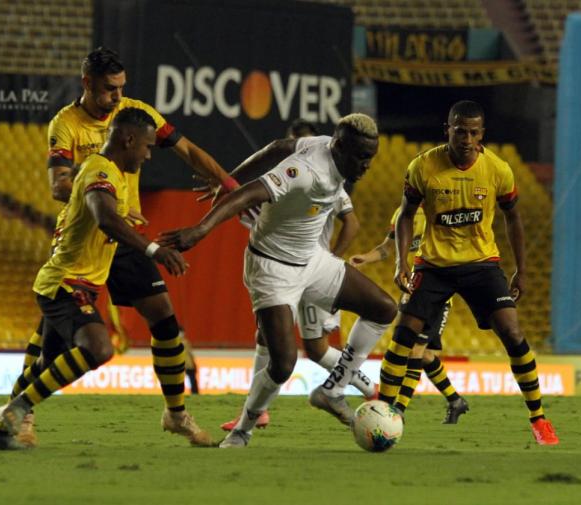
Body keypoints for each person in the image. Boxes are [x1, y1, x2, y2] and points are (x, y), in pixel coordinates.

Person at [10, 47, 237, 448]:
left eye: (120, 88)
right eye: (107, 90)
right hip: (88, 235)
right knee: (53, 342)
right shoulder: (65, 125)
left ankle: (176, 413)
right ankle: (20, 415)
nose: (116, 97)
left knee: (164, 318)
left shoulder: (135, 111)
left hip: (126, 237)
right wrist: (98, 189)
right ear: (87, 83)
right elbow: (57, 186)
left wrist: (229, 185)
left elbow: (187, 150)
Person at [159, 113, 397, 448]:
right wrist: (201, 228)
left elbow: (277, 146)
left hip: (313, 262)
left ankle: (333, 389)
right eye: (361, 157)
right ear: (340, 147)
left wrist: (229, 178)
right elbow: (249, 194)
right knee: (283, 363)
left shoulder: (325, 148)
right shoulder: (304, 172)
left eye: (370, 158)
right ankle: (242, 431)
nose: (366, 165)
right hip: (273, 268)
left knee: (384, 308)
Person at [0, 108, 192, 449]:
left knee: (46, 363)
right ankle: (17, 409)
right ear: (129, 140)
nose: (149, 154)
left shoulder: (108, 173)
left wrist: (122, 213)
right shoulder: (100, 171)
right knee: (98, 347)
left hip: (74, 282)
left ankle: (3, 436)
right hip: (66, 283)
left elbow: (100, 211)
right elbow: (105, 219)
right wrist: (155, 250)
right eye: (147, 146)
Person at [382, 100, 558, 445]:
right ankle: (385, 413)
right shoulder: (423, 166)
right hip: (433, 266)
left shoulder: (497, 170)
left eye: (472, 132)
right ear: (447, 129)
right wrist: (401, 261)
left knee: (512, 332)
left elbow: (514, 217)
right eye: (459, 130)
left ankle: (539, 419)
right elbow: (405, 215)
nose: (465, 138)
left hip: (481, 265)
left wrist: (521, 269)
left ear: (481, 135)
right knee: (403, 335)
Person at [220, 119, 376, 432]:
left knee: (315, 349)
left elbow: (352, 222)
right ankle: (258, 412)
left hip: (312, 269)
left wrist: (332, 259)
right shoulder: (286, 178)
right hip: (283, 268)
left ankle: (368, 386)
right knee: (266, 337)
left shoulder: (327, 177)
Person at [350, 206, 469, 423]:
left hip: (437, 293)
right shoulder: (402, 212)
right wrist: (365, 258)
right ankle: (456, 401)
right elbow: (388, 247)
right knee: (423, 355)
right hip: (411, 291)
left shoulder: (443, 211)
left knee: (415, 350)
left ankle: (399, 409)